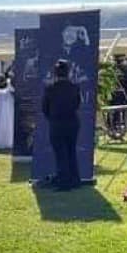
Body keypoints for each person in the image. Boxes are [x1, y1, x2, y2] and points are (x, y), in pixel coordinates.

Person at [42, 60, 81, 191]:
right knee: (71, 151)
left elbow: (45, 107)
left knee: (60, 153)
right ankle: (74, 179)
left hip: (57, 123)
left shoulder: (50, 88)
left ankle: (64, 181)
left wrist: (52, 118)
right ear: (68, 72)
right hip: (72, 122)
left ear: (55, 73)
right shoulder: (75, 87)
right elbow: (77, 104)